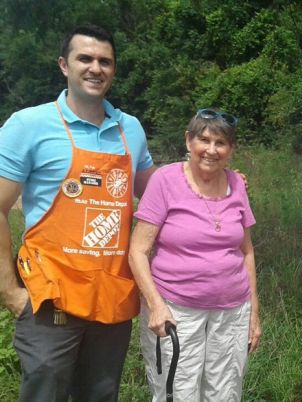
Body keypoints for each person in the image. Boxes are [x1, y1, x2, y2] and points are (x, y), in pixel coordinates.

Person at [0, 24, 156, 401]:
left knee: (101, 395)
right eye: (84, 58)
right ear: (63, 65)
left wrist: (218, 180)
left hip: (111, 299)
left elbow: (159, 196)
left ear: (114, 70)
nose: (95, 68)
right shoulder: (29, 125)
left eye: (105, 61)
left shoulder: (130, 129)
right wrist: (10, 292)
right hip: (49, 298)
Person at [129, 108, 262, 401]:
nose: (211, 150)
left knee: (225, 393)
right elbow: (138, 251)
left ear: (231, 149)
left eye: (221, 143)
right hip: (176, 310)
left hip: (232, 311)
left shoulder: (237, 184)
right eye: (204, 140)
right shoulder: (165, 180)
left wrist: (254, 312)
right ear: (189, 140)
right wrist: (156, 305)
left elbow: (246, 251)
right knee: (178, 392)